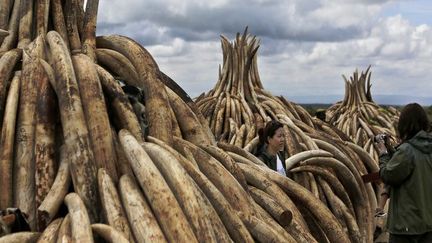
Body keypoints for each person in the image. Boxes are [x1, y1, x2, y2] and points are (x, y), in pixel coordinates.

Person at [377, 103, 432, 243]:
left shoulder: (406, 151)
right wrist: (394, 152)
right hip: (428, 224)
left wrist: (383, 154)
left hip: (405, 227)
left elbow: (388, 175)